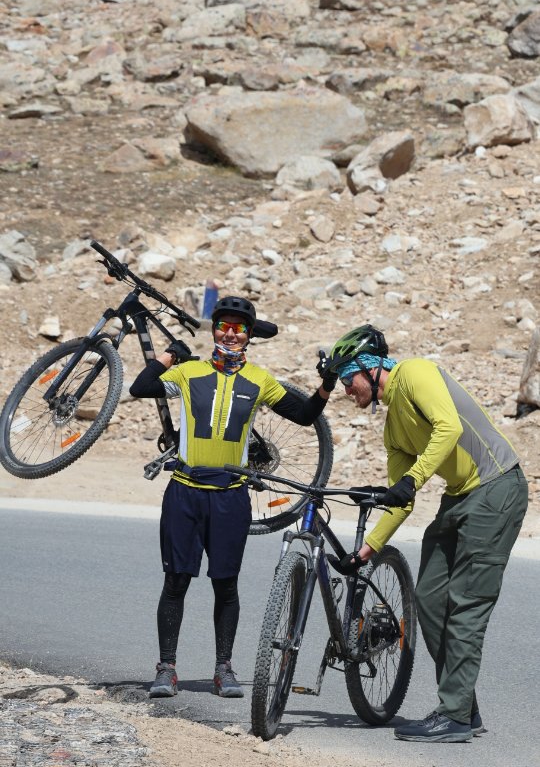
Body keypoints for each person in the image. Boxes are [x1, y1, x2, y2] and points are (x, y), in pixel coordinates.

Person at [321, 324, 528, 744]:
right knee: (430, 600)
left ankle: (452, 714)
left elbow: (448, 427)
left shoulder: (415, 372)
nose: (346, 390)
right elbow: (401, 501)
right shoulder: (392, 428)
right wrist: (364, 551)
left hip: (497, 488)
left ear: (369, 368)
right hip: (459, 498)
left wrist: (413, 478)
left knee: (466, 606)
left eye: (348, 379)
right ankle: (464, 708)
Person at [130, 295, 334, 701]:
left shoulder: (259, 380)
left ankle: (224, 668)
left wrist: (327, 384)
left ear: (249, 336)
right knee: (176, 581)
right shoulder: (190, 372)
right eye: (223, 324)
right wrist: (170, 355)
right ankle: (166, 668)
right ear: (214, 329)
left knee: (226, 584)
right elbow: (141, 386)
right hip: (184, 492)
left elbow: (306, 414)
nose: (230, 332)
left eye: (239, 328)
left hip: (230, 496)